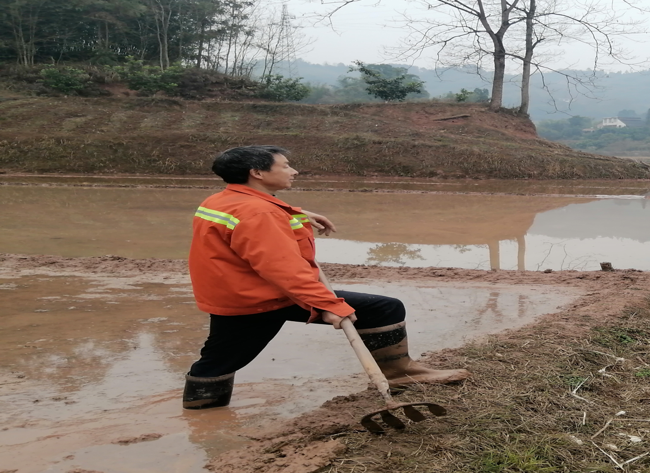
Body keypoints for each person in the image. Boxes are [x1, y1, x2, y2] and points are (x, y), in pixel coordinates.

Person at [182, 145, 469, 410]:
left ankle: (201, 413)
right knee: (384, 308)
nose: (294, 171)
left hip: (233, 294)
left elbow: (250, 226)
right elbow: (284, 270)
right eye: (285, 166)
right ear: (257, 173)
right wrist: (328, 304)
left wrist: (295, 214)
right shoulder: (260, 213)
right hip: (264, 298)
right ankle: (398, 373)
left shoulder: (222, 200)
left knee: (219, 360)